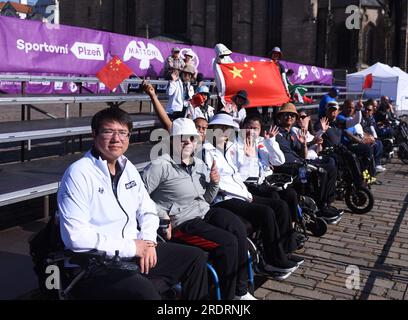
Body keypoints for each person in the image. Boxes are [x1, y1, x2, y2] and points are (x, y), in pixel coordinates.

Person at [57, 107, 208, 300]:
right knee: (144, 291)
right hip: (96, 264)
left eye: (122, 133)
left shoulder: (127, 167)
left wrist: (148, 242)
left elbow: (147, 209)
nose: (116, 139)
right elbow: (75, 238)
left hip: (134, 251)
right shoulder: (78, 173)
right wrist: (133, 247)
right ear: (94, 134)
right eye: (108, 131)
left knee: (195, 258)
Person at [142, 118, 256, 300]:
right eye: (182, 138)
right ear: (171, 140)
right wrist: (162, 214)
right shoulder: (160, 166)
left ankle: (240, 290)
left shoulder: (199, 164)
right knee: (227, 242)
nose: (188, 142)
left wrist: (214, 183)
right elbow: (139, 198)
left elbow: (206, 199)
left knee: (237, 227)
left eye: (192, 138)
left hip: (204, 211)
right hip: (183, 222)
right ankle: (229, 297)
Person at [202, 112, 302, 279]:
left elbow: (238, 177)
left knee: (280, 205)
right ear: (212, 130)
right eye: (220, 129)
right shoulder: (207, 151)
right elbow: (221, 183)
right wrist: (247, 162)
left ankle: (284, 253)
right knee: (266, 212)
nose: (225, 133)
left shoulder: (222, 151)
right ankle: (272, 262)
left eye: (228, 130)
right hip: (224, 198)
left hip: (241, 192)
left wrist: (251, 158)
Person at [274, 103, 343, 224]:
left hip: (300, 162)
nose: (289, 117)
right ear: (280, 117)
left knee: (331, 167)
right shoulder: (275, 132)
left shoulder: (292, 135)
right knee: (321, 172)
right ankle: (321, 207)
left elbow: (303, 155)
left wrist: (304, 144)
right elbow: (251, 134)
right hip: (287, 166)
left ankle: (326, 203)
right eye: (286, 115)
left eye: (292, 115)